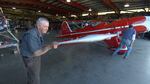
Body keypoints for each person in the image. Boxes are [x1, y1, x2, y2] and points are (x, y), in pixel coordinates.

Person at [19, 17, 59, 84]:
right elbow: (36, 53)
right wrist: (50, 46)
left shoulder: (38, 32)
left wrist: (50, 44)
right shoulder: (32, 35)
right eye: (45, 26)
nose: (47, 28)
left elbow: (39, 45)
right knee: (35, 77)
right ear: (38, 26)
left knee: (32, 74)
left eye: (47, 26)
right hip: (30, 58)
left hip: (33, 56)